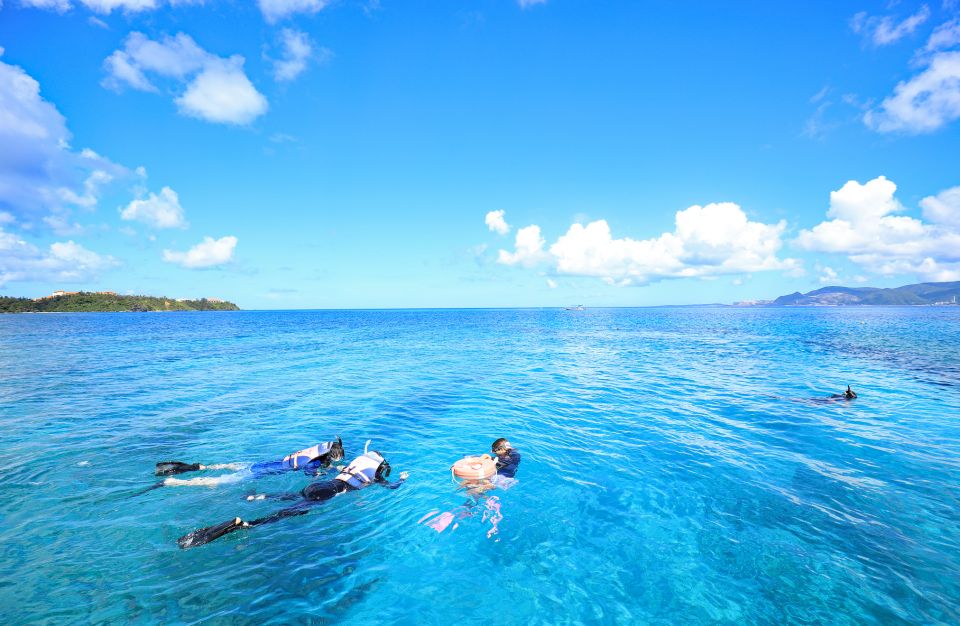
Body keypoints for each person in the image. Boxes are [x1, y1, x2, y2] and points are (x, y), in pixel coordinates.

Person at [177, 444, 408, 549]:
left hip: (321, 485)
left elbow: (338, 470)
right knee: (288, 513)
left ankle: (256, 497)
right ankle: (246, 524)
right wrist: (403, 479)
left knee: (293, 496)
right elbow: (392, 487)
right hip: (328, 492)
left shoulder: (354, 467)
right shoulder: (373, 478)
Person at [154, 438, 345, 488]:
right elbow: (312, 475)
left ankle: (199, 467)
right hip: (259, 473)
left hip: (262, 463)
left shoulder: (311, 452)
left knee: (226, 467)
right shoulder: (313, 464)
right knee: (219, 482)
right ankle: (175, 482)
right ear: (332, 455)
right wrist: (329, 474)